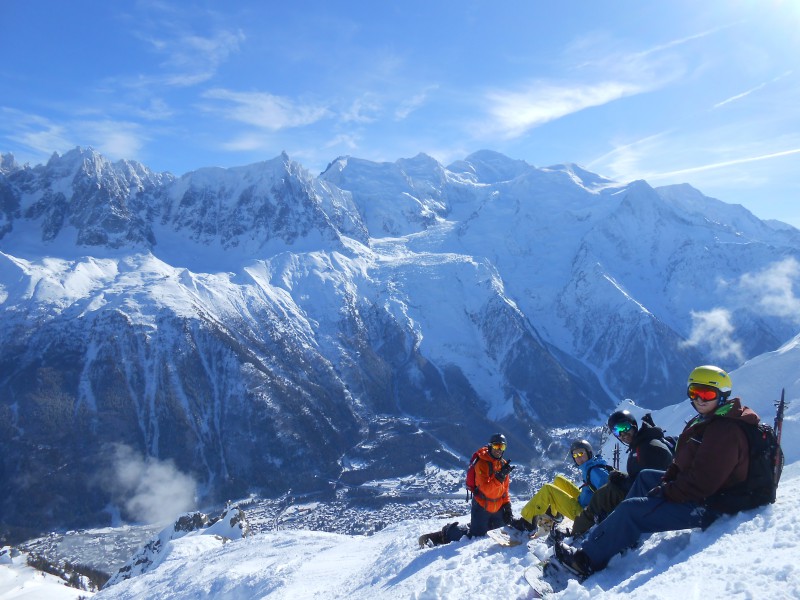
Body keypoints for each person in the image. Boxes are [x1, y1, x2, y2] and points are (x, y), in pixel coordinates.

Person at [555, 365, 760, 577]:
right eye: (694, 393)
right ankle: (620, 537)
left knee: (632, 509)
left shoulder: (724, 430)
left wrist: (666, 490)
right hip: (706, 491)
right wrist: (668, 478)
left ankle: (585, 561)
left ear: (723, 395)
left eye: (707, 393)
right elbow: (682, 463)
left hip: (713, 503)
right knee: (644, 477)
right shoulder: (709, 420)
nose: (700, 399)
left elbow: (702, 485)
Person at [570, 410, 675, 537]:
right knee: (602, 495)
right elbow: (641, 476)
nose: (622, 434)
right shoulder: (640, 445)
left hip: (648, 503)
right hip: (643, 497)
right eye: (617, 431)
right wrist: (622, 478)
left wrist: (622, 482)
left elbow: (647, 481)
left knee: (602, 495)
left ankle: (574, 534)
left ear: (633, 424)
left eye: (624, 427)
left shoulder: (646, 447)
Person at [418, 433, 514, 546]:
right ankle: (446, 533)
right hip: (482, 506)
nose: (499, 450)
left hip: (497, 507)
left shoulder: (502, 465)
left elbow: (505, 490)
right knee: (475, 537)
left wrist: (507, 506)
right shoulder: (481, 463)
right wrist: (499, 477)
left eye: (502, 447)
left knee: (500, 532)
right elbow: (486, 489)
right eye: (496, 446)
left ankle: (477, 524)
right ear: (490, 446)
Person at [511, 440, 610, 539]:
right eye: (575, 455)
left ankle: (527, 523)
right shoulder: (591, 466)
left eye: (580, 453)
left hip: (585, 515)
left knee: (548, 489)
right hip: (585, 501)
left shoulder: (595, 472)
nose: (578, 457)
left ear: (589, 452)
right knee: (559, 480)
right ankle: (556, 516)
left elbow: (609, 493)